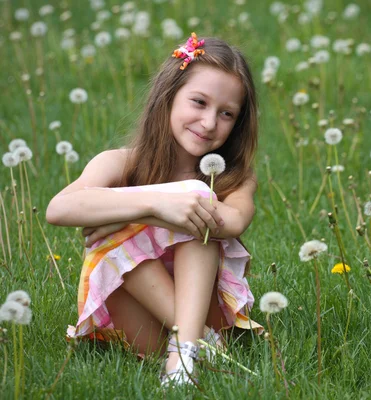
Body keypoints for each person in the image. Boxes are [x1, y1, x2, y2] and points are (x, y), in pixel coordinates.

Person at [46, 34, 262, 386]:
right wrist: (156, 204)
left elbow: (234, 220)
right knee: (124, 218)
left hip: (202, 307)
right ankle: (198, 344)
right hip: (139, 319)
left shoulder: (233, 177)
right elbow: (59, 208)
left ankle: (184, 358)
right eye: (198, 102)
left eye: (226, 114)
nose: (209, 122)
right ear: (168, 97)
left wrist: (152, 207)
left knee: (199, 207)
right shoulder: (120, 163)